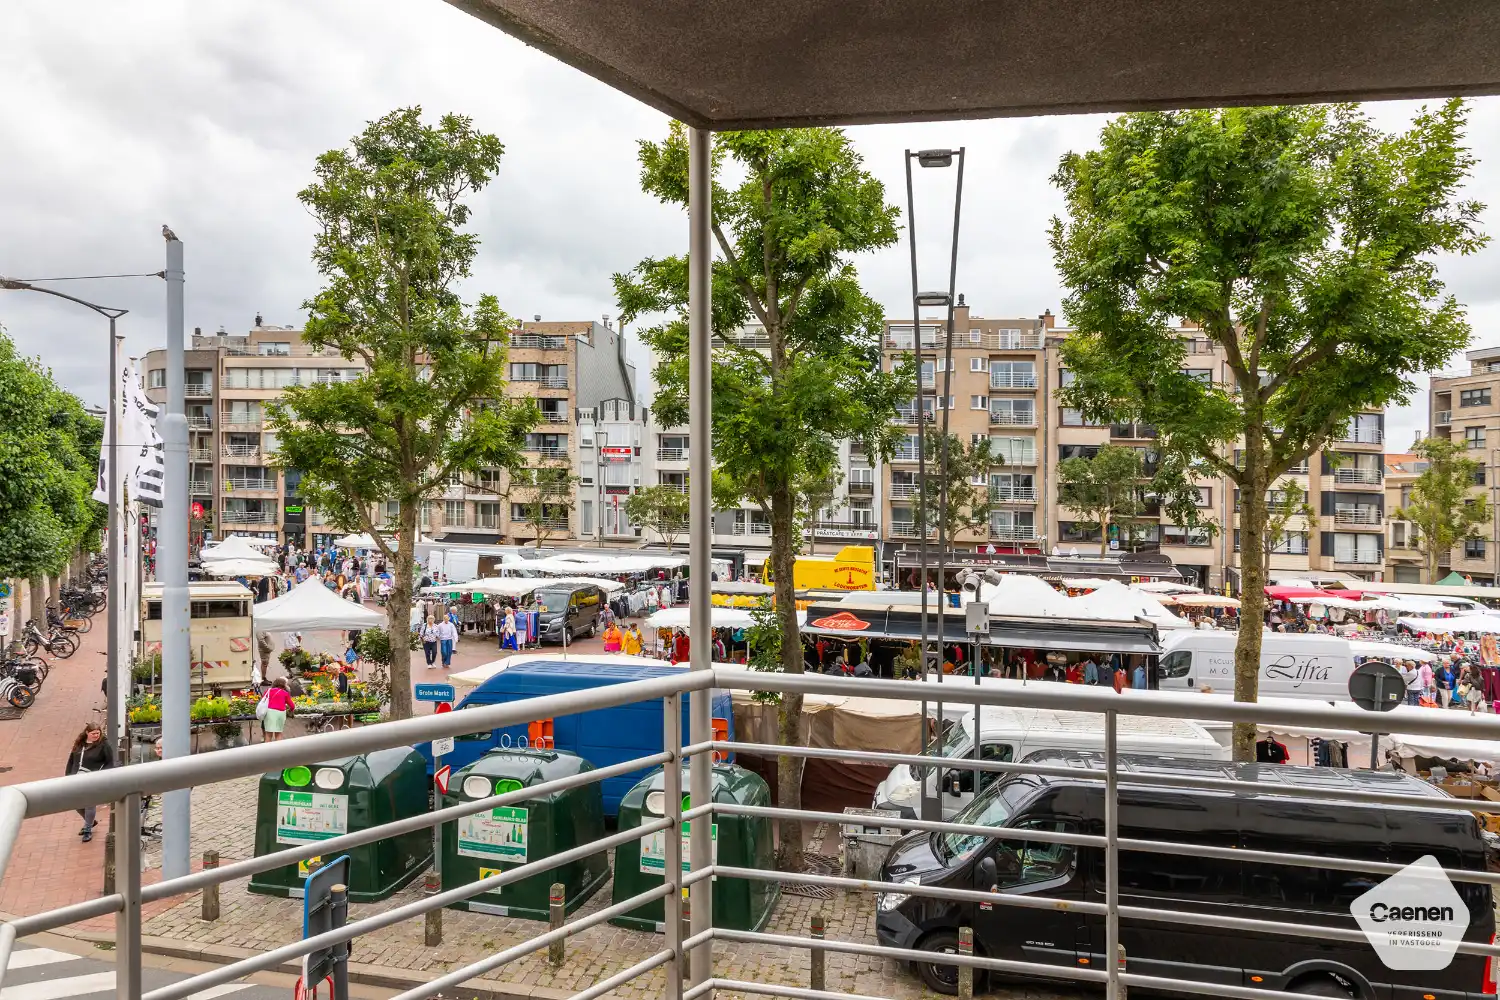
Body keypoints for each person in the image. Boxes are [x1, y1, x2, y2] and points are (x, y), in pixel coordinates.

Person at [65, 723, 116, 842]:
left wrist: (100, 775)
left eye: (97, 733)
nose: (96, 736)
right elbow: (72, 760)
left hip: (92, 779)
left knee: (89, 803)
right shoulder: (80, 744)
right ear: (87, 733)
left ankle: (87, 829)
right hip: (76, 778)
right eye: (93, 734)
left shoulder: (104, 745)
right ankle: (91, 822)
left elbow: (110, 762)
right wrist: (68, 776)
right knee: (75, 803)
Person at [261, 677, 295, 742]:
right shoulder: (285, 693)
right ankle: (278, 751)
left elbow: (262, 700)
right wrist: (290, 710)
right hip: (280, 713)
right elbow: (292, 706)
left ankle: (267, 750)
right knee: (278, 734)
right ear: (284, 685)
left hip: (269, 713)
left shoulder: (268, 691)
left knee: (268, 734)